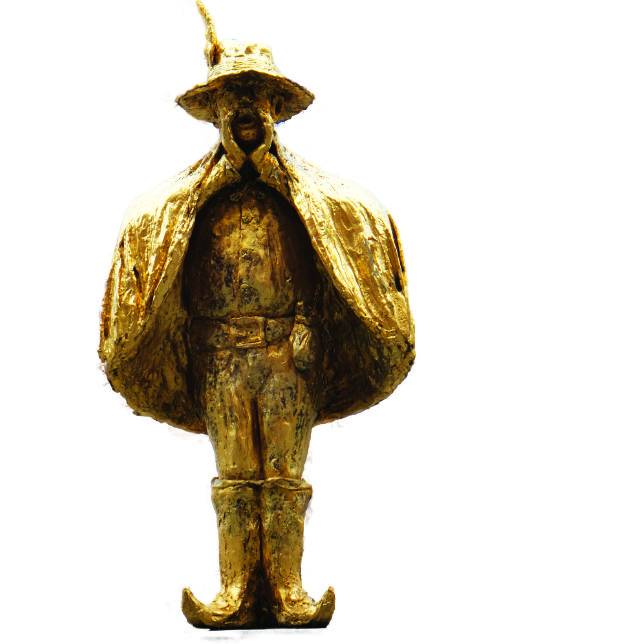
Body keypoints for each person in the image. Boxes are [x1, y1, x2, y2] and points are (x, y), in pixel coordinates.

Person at [99, 0, 414, 629]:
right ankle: (236, 588)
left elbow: (347, 241)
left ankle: (289, 589)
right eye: (233, 99)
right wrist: (207, 193)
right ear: (215, 112)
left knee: (284, 476)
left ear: (275, 109)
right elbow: (154, 252)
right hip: (219, 354)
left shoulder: (317, 195)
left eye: (257, 98)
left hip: (290, 352)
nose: (245, 111)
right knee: (235, 475)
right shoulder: (178, 202)